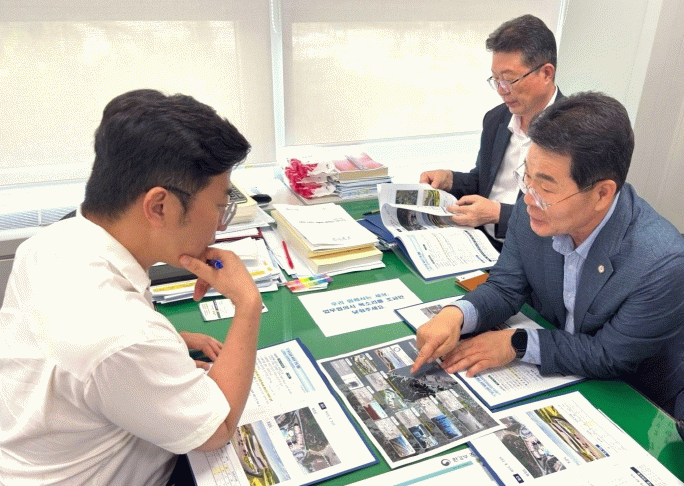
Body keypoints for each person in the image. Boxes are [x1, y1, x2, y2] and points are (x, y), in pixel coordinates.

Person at [0, 89, 263, 484]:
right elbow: (217, 430)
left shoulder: (49, 243)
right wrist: (247, 303)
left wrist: (169, 345)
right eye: (220, 206)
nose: (219, 225)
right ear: (159, 206)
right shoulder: (124, 336)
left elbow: (74, 356)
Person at [411, 92, 684, 430]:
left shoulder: (662, 261)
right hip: (558, 377)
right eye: (527, 176)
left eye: (546, 187)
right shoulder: (536, 208)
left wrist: (517, 343)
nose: (529, 197)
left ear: (602, 193)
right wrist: (456, 315)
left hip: (635, 400)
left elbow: (609, 356)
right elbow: (506, 286)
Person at [421, 14, 561, 251]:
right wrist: (450, 179)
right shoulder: (496, 118)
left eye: (509, 80)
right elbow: (483, 182)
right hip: (479, 241)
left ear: (546, 73)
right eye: (496, 80)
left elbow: (566, 215)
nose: (501, 90)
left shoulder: (573, 132)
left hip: (532, 254)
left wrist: (498, 213)